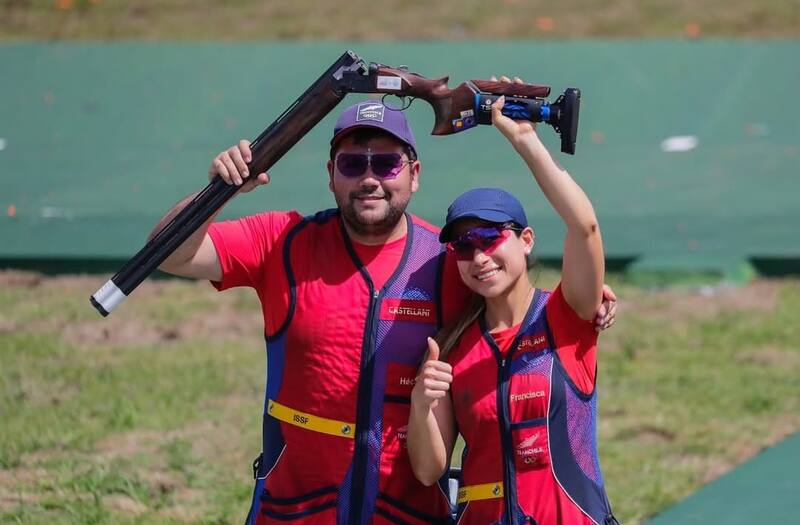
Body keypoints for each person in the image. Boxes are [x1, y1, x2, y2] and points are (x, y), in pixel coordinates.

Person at [150, 98, 617, 524]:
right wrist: (221, 191)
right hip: (293, 511)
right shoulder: (281, 242)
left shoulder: (447, 259)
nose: (370, 178)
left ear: (414, 174)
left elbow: (517, 288)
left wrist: (588, 297)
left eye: (387, 163)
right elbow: (168, 253)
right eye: (353, 164)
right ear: (331, 174)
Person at [407, 89, 619, 524]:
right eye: (463, 247)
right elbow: (428, 470)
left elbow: (585, 226)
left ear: (525, 240)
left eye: (490, 238)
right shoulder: (451, 348)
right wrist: (421, 402)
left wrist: (526, 140)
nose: (479, 257)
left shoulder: (568, 316)